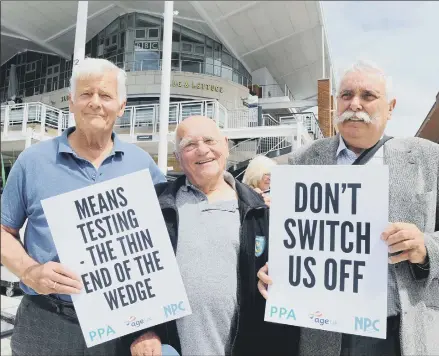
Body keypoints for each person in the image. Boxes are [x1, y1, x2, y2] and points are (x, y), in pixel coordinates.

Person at [257, 60, 439, 356]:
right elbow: (294, 238)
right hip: (325, 333)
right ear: (335, 103)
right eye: (346, 95)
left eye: (368, 96)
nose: (355, 104)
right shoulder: (303, 160)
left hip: (401, 331)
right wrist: (278, 268)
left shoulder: (428, 159)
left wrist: (426, 247)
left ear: (390, 108)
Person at [0, 58, 167, 356]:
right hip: (47, 318)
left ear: (122, 105)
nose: (95, 103)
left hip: (122, 321)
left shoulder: (142, 164)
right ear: (71, 101)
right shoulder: (32, 161)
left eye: (105, 95)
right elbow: (3, 230)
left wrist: (150, 324)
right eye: (86, 94)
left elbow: (168, 234)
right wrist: (29, 272)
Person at [126, 115, 299, 356]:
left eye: (210, 140)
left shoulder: (261, 211)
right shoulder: (153, 206)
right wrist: (140, 330)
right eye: (189, 145)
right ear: (177, 158)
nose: (202, 150)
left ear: (226, 145)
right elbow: (128, 275)